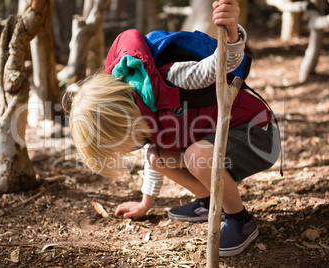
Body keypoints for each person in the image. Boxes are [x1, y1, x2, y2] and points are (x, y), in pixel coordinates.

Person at [69, 0, 280, 257]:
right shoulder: (141, 115)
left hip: (255, 133)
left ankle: (240, 219)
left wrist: (232, 31)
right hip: (217, 142)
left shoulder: (170, 79)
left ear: (123, 122)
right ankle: (209, 201)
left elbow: (221, 64)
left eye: (124, 142)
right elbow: (155, 151)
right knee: (157, 157)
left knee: (196, 156)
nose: (133, 146)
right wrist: (145, 204)